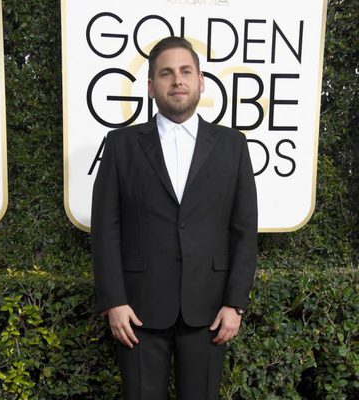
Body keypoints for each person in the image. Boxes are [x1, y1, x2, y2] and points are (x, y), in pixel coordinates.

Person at [91, 36, 257, 400]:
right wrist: (114, 301)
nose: (177, 80)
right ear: (151, 86)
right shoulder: (121, 145)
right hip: (137, 311)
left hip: (210, 310)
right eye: (166, 73)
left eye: (185, 71)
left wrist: (235, 303)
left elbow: (245, 231)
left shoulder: (233, 145)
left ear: (201, 82)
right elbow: (105, 230)